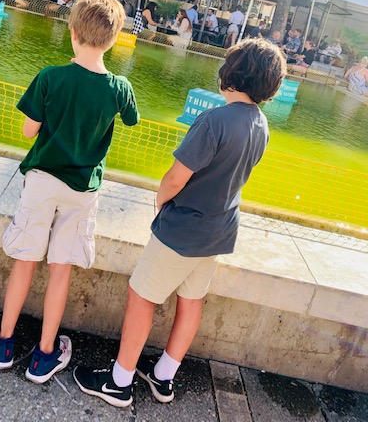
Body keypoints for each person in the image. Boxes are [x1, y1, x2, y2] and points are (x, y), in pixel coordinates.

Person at [73, 38, 286, 408]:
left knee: (142, 296)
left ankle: (119, 382)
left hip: (183, 228)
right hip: (219, 230)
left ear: (232, 73)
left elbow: (176, 178)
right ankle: (163, 375)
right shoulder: (261, 125)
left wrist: (160, 203)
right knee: (191, 301)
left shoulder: (214, 120)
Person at [0, 0, 140, 383]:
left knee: (26, 259)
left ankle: (3, 341)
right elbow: (132, 118)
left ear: (73, 32)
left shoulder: (50, 76)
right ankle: (45, 354)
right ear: (113, 39)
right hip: (83, 189)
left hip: (42, 180)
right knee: (61, 269)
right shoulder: (120, 87)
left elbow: (28, 129)